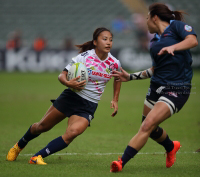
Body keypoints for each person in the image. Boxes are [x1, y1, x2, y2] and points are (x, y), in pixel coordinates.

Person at [6, 27, 122, 165]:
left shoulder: (114, 63)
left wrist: (115, 99)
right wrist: (69, 83)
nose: (108, 42)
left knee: (73, 132)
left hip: (89, 104)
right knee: (42, 126)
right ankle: (19, 146)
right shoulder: (84, 57)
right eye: (105, 39)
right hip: (71, 97)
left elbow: (118, 78)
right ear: (95, 42)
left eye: (111, 40)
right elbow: (62, 75)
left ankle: (37, 157)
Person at [110, 3, 198, 172]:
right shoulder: (155, 42)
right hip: (156, 86)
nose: (145, 22)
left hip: (177, 88)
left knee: (146, 125)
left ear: (155, 17)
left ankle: (121, 163)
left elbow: (193, 40)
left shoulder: (176, 27)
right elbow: (155, 70)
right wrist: (130, 77)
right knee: (148, 127)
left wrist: (173, 47)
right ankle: (171, 146)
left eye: (147, 19)